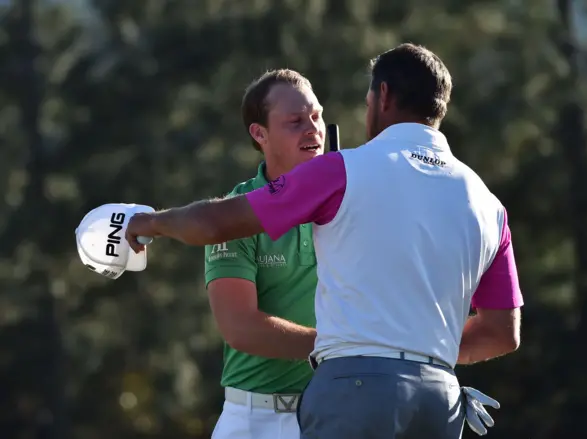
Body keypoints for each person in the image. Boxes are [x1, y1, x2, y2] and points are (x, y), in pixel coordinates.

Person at [125, 43, 524, 439]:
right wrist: (422, 360)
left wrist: (149, 223)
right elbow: (502, 332)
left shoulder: (340, 171)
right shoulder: (489, 204)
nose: (315, 128)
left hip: (355, 391)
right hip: (440, 399)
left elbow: (214, 224)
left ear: (382, 95)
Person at [204, 69, 325, 439]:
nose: (313, 130)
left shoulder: (351, 205)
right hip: (255, 421)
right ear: (260, 134)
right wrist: (339, 348)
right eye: (295, 122)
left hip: (332, 413)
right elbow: (240, 328)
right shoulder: (235, 213)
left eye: (316, 116)